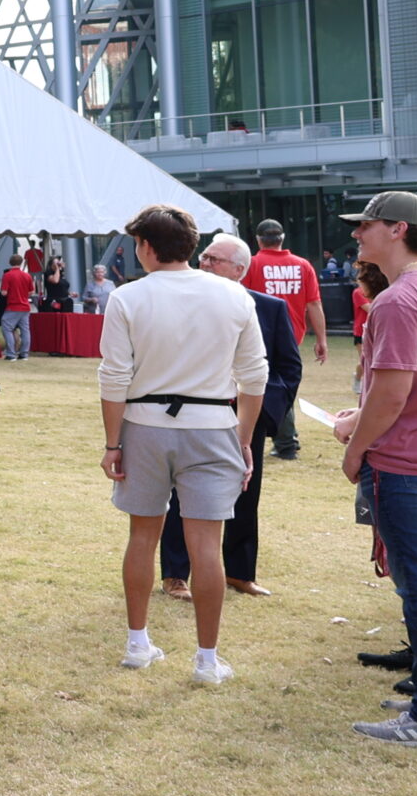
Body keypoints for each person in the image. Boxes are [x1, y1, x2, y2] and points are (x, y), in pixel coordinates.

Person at [99, 205, 265, 686]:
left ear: (147, 247)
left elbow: (114, 377)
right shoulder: (233, 296)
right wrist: (245, 439)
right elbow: (255, 374)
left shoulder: (128, 297)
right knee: (206, 547)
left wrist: (114, 443)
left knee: (142, 536)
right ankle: (207, 659)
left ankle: (137, 643)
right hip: (213, 425)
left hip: (144, 424)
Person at [332, 192, 417, 748]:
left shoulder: (397, 301)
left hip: (409, 463)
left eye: (367, 225)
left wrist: (355, 446)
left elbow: (391, 393)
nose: (358, 234)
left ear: (398, 229)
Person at [159, 234, 297, 600]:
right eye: (203, 257)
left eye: (214, 259)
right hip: (192, 415)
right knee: (181, 494)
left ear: (239, 269)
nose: (204, 263)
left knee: (245, 495)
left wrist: (262, 413)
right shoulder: (179, 303)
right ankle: (175, 574)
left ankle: (239, 573)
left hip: (245, 419)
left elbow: (287, 368)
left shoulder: (269, 308)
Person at [247, 219, 328, 457]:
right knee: (281, 383)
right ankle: (285, 441)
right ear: (282, 239)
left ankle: (285, 442)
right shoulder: (303, 265)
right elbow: (314, 303)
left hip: (259, 335)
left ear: (259, 240)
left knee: (266, 385)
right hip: (292, 336)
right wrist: (321, 338)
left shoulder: (252, 264)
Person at [0, 253, 34, 361]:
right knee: (25, 331)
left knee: (7, 328)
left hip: (13, 306)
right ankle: (24, 354)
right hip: (25, 307)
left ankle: (11, 353)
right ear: (21, 262)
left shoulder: (7, 275)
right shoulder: (27, 276)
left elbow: (4, 292)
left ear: (10, 262)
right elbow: (31, 291)